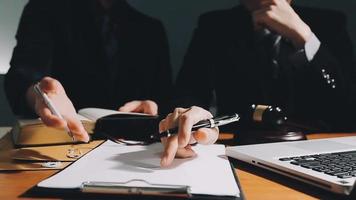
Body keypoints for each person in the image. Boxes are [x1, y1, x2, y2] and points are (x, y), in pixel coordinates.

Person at [159, 0, 356, 166]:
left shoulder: (330, 23)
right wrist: (191, 117)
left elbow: (345, 102)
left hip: (317, 150)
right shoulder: (214, 25)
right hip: (236, 150)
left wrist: (304, 37)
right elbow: (189, 90)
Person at [5, 0, 173, 142]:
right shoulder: (44, 10)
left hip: (133, 147)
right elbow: (21, 78)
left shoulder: (151, 29)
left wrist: (154, 107)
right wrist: (39, 95)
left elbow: (166, 98)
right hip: (64, 143)